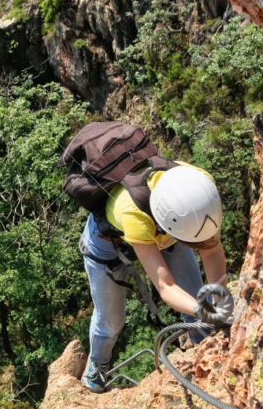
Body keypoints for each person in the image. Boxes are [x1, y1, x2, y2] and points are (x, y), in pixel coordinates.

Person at [78, 162, 229, 393]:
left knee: (195, 296)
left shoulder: (199, 187)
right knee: (111, 320)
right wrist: (205, 312)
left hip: (165, 232)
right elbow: (165, 286)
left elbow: (211, 248)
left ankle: (203, 341)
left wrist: (220, 304)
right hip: (107, 245)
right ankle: (97, 364)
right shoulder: (133, 213)